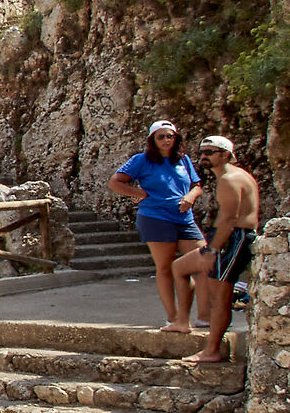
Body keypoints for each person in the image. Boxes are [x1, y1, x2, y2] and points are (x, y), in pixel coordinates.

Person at [109, 119, 205, 332]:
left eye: (170, 136)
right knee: (164, 267)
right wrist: (138, 193)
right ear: (153, 139)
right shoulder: (141, 160)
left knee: (203, 260)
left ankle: (197, 314)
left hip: (184, 218)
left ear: (176, 138)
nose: (166, 140)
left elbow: (197, 185)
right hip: (155, 217)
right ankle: (174, 317)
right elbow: (115, 181)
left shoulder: (183, 160)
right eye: (161, 136)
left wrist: (190, 196)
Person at [178, 134, 260, 364]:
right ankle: (208, 345)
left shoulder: (229, 179)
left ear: (225, 155)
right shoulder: (231, 177)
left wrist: (212, 251)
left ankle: (213, 350)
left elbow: (229, 219)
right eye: (202, 152)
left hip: (235, 238)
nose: (204, 157)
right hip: (231, 237)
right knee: (207, 288)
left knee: (221, 297)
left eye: (210, 152)